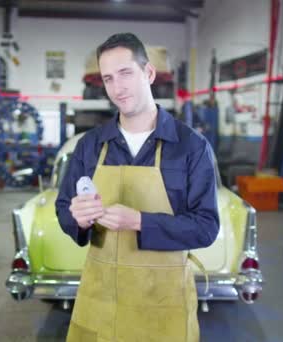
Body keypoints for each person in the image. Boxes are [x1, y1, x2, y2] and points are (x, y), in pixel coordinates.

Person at [55, 33, 219, 341]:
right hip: (100, 303)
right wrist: (77, 218)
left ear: (149, 73)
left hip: (163, 305)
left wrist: (139, 221)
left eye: (126, 73)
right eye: (108, 78)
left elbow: (206, 227)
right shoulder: (90, 146)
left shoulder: (191, 147)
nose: (117, 87)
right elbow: (64, 208)